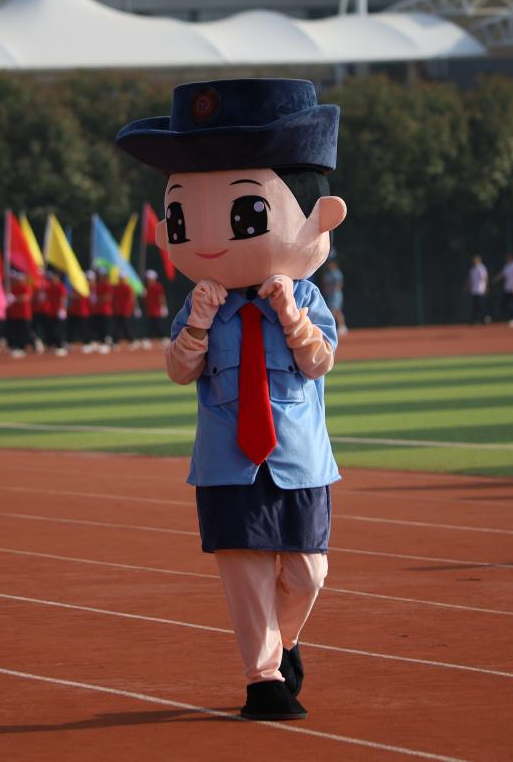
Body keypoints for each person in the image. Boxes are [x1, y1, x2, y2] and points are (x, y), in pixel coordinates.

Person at [117, 77, 345, 721]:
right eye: (183, 220)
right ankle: (262, 678)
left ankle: (285, 641)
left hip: (298, 457)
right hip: (226, 461)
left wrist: (290, 315)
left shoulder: (305, 296)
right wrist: (196, 324)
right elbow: (178, 369)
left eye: (245, 215)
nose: (212, 238)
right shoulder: (202, 302)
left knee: (308, 572)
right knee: (245, 572)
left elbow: (320, 361)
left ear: (320, 218)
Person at [6, 269, 34, 357]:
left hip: (24, 314)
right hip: (15, 314)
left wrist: (15, 299)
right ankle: (17, 347)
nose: (17, 281)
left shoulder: (25, 287)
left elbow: (26, 297)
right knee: (15, 332)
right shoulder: (13, 288)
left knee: (23, 332)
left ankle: (22, 348)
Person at [43, 270, 69, 356]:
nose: (53, 279)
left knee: (58, 330)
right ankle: (53, 346)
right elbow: (46, 297)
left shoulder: (61, 287)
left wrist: (62, 309)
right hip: (51, 312)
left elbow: (63, 298)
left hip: (59, 312)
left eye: (55, 277)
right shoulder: (50, 286)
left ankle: (61, 346)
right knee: (51, 330)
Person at [68, 272, 95, 352]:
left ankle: (87, 344)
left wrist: (72, 296)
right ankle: (70, 344)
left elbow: (81, 296)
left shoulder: (86, 287)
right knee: (72, 329)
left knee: (84, 329)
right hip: (74, 311)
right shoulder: (76, 287)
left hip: (84, 312)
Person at [142, 269, 168, 347]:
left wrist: (163, 307)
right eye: (147, 278)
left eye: (149, 278)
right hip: (150, 310)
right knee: (153, 324)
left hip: (156, 310)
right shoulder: (147, 288)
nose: (148, 280)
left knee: (156, 324)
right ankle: (161, 338)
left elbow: (161, 297)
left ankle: (154, 338)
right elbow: (146, 300)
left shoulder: (158, 286)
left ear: (154, 278)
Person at [319, 259, 345, 335]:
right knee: (336, 311)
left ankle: (332, 327)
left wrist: (334, 290)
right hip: (329, 295)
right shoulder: (327, 274)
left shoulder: (337, 273)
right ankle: (342, 326)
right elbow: (325, 284)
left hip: (336, 295)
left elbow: (339, 284)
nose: (330, 266)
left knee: (334, 310)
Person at [496, 253, 513, 328]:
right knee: (506, 303)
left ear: (512, 258)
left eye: (508, 257)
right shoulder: (507, 266)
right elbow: (502, 274)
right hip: (507, 288)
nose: (507, 259)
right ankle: (512, 317)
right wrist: (495, 279)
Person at [112, 275, 138, 348]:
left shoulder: (127, 287)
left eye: (122, 278)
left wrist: (135, 308)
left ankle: (132, 341)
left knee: (127, 327)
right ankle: (115, 342)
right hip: (118, 310)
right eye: (120, 278)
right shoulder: (116, 287)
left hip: (125, 310)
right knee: (117, 327)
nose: (121, 280)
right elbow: (114, 298)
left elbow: (132, 298)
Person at [466, 255, 489, 325]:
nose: (474, 261)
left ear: (479, 260)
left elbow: (484, 278)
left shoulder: (481, 268)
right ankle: (475, 320)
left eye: (476, 260)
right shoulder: (472, 269)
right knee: (475, 306)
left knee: (481, 305)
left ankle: (485, 318)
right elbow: (470, 279)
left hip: (480, 290)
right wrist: (468, 287)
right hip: (474, 290)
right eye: (474, 260)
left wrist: (485, 287)